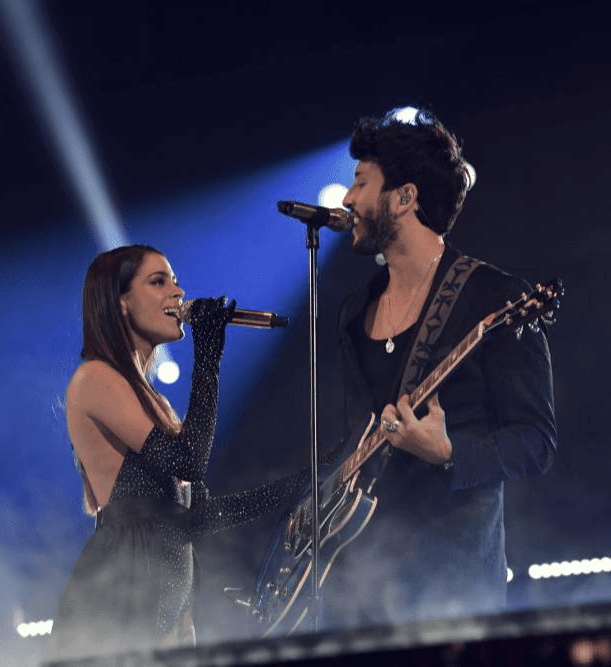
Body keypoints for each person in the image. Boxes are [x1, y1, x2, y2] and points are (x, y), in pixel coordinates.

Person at [325, 108, 557, 626]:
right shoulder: (352, 312)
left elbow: (536, 441)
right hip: (363, 581)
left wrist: (450, 452)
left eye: (361, 182)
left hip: (454, 584)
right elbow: (354, 435)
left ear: (405, 197)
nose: (346, 199)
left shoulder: (494, 298)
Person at [45, 245, 308, 660]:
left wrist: (300, 485)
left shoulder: (158, 404)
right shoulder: (95, 378)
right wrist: (208, 357)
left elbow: (198, 517)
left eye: (175, 279)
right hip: (119, 596)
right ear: (122, 305)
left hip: (164, 609)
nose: (178, 292)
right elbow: (188, 461)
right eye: (158, 281)